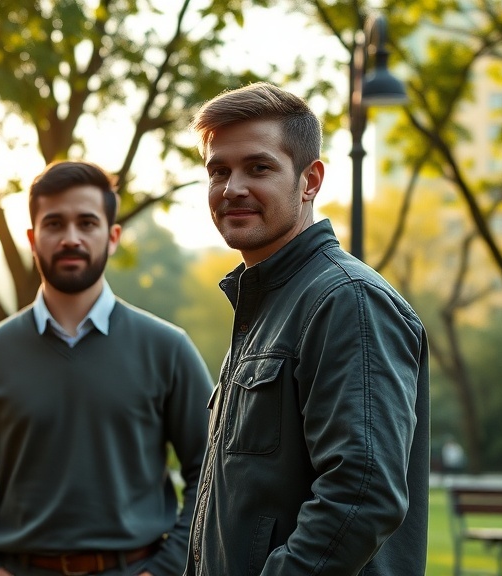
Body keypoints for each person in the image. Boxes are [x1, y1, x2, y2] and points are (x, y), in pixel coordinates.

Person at [184, 82, 430, 575]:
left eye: (258, 167)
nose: (233, 188)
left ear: (310, 180)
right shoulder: (264, 305)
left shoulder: (346, 302)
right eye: (219, 171)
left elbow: (361, 496)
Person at [0, 160, 214, 576]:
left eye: (87, 223)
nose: (71, 238)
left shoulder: (168, 349)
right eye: (54, 224)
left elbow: (209, 473)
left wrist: (169, 569)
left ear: (112, 236)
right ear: (33, 238)